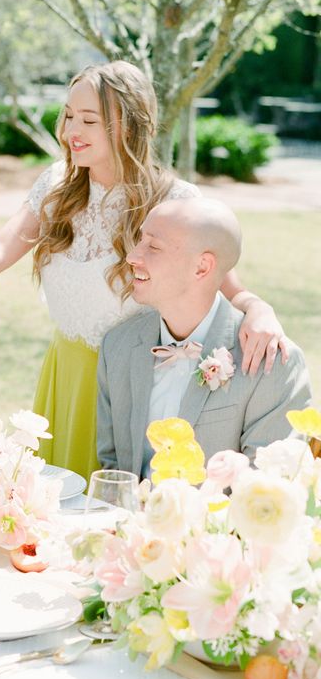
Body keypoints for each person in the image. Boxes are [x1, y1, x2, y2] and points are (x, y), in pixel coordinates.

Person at [0, 61, 288, 479]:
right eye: (68, 115)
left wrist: (260, 310)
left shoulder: (173, 200)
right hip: (64, 377)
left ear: (128, 126)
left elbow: (222, 284)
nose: (69, 131)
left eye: (88, 120)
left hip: (131, 385)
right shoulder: (57, 187)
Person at [96, 198, 311, 476]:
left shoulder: (272, 363)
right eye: (140, 240)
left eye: (153, 247)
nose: (132, 256)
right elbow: (111, 468)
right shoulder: (118, 345)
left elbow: (266, 487)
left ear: (202, 267)